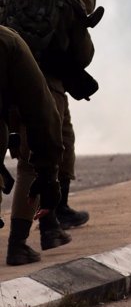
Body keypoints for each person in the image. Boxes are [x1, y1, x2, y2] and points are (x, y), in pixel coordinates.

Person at [1, 0, 93, 235]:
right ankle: (51, 216)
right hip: (44, 82)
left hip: (5, 79)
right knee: (52, 146)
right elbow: (82, 16)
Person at [0, 25, 65, 265]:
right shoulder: (8, 40)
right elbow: (43, 114)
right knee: (29, 166)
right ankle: (17, 244)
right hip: (45, 82)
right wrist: (48, 177)